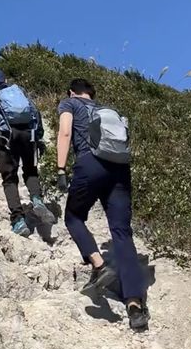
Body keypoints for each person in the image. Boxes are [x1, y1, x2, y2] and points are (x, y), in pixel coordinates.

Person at [56, 77, 149, 331]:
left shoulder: (69, 103)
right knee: (121, 232)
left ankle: (99, 264)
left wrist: (61, 168)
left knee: (74, 217)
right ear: (91, 93)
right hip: (119, 168)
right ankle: (134, 305)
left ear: (72, 91)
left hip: (89, 164)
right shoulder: (108, 110)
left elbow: (65, 132)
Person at [0, 69, 55, 236]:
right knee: (30, 170)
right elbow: (35, 111)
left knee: (9, 178)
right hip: (29, 135)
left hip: (7, 137)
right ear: (5, 79)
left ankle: (18, 220)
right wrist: (39, 136)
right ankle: (37, 199)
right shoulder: (17, 90)